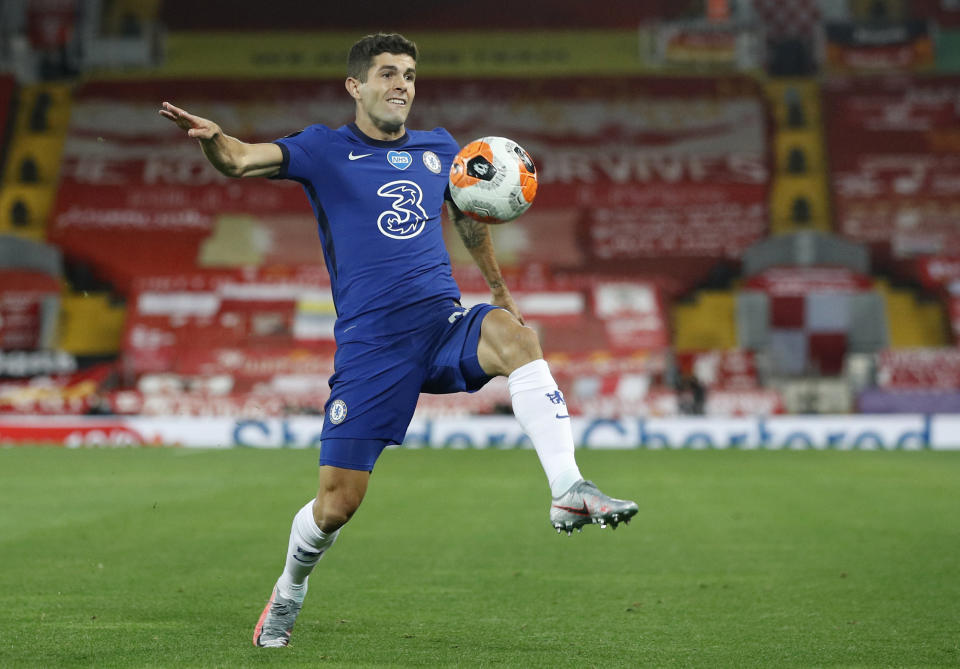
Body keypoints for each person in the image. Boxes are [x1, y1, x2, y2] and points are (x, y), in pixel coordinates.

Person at [159, 32, 638, 649]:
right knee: (336, 506)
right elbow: (242, 160)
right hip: (371, 345)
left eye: (409, 74)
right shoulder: (323, 149)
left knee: (519, 337)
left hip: (440, 324)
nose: (402, 84)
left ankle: (568, 490)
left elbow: (468, 216)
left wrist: (499, 293)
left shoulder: (441, 149)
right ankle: (289, 590)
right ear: (356, 86)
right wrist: (215, 141)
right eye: (387, 73)